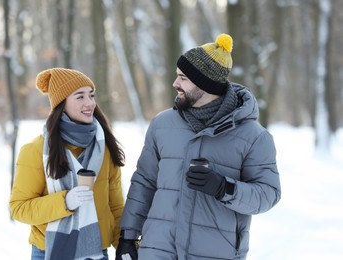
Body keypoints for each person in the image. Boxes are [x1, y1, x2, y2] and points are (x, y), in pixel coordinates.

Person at [115, 34, 281, 260]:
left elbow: (268, 194)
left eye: (183, 78)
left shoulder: (254, 137)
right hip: (158, 250)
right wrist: (128, 236)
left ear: (205, 84)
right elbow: (144, 182)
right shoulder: (162, 125)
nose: (175, 84)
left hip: (215, 252)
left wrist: (224, 188)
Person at [9, 68, 125, 260]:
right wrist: (65, 201)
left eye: (91, 95)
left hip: (96, 252)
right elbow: (19, 208)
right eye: (80, 97)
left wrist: (125, 245)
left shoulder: (103, 148)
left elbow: (116, 207)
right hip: (49, 251)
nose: (90, 103)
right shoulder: (35, 150)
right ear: (61, 105)